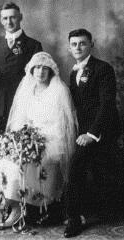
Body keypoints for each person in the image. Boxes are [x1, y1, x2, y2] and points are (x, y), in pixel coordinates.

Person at [0, 51, 77, 230]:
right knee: (6, 158)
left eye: (45, 68)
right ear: (31, 70)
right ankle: (6, 207)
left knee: (24, 162)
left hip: (50, 140)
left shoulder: (58, 91)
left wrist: (38, 140)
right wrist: (20, 138)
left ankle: (16, 210)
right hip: (28, 137)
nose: (40, 72)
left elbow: (61, 125)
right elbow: (20, 120)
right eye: (37, 68)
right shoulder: (27, 90)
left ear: (51, 71)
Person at [64, 29, 121, 238]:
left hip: (103, 129)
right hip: (85, 129)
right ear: (69, 47)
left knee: (76, 167)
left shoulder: (102, 68)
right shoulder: (73, 72)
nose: (78, 47)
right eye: (74, 44)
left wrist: (91, 134)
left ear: (91, 44)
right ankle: (81, 213)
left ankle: (74, 218)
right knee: (90, 169)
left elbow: (106, 105)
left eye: (82, 43)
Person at [0, 2, 43, 132]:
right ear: (1, 20)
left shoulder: (33, 45)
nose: (9, 21)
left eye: (13, 17)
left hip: (23, 105)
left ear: (20, 17)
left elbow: (39, 80)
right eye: (5, 18)